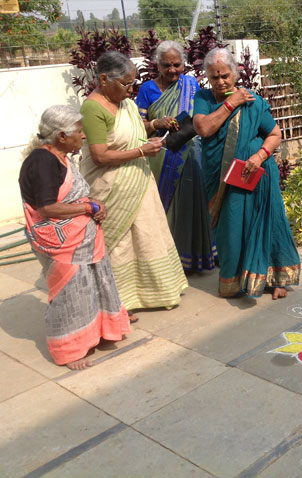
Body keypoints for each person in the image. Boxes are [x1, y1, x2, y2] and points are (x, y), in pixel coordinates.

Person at [18, 105, 130, 370]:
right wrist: (88, 207)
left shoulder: (62, 157)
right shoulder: (42, 162)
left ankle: (99, 332)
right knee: (70, 293)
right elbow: (47, 208)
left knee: (92, 285)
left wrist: (92, 205)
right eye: (79, 131)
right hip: (60, 241)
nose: (83, 136)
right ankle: (69, 350)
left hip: (82, 237)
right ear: (60, 136)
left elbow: (70, 195)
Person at [80, 51, 188, 319]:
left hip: (139, 181)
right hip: (111, 187)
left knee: (148, 237)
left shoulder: (123, 103)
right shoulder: (93, 108)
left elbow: (133, 128)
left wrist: (154, 124)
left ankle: (158, 292)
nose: (131, 90)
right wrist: (141, 153)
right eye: (126, 85)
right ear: (104, 79)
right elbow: (100, 155)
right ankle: (118, 302)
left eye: (133, 84)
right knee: (119, 245)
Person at [193, 47, 300, 300]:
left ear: (235, 73)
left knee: (267, 222)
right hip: (222, 179)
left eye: (225, 76)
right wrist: (232, 102)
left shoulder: (253, 100)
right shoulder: (204, 99)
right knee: (231, 227)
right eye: (215, 77)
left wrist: (259, 156)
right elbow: (204, 128)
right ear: (208, 77)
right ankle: (234, 280)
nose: (220, 81)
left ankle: (276, 278)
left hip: (257, 174)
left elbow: (275, 135)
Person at [135, 40, 216, 272]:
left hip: (192, 157)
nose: (172, 70)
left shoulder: (191, 85)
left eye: (176, 65)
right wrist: (156, 122)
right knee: (166, 211)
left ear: (184, 64)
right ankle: (169, 262)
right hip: (161, 158)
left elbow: (202, 118)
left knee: (193, 205)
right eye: (166, 65)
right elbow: (137, 126)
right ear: (157, 65)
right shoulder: (146, 90)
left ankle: (197, 258)